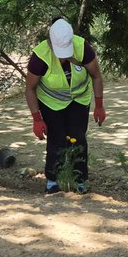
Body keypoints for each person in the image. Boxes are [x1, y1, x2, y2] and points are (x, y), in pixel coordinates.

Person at [25, 18, 107, 193]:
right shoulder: (40, 57)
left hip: (79, 99)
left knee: (78, 138)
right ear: (51, 43)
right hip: (51, 102)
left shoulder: (83, 48)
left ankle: (80, 181)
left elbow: (96, 76)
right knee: (57, 139)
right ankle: (53, 181)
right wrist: (37, 119)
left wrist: (99, 105)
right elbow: (30, 88)